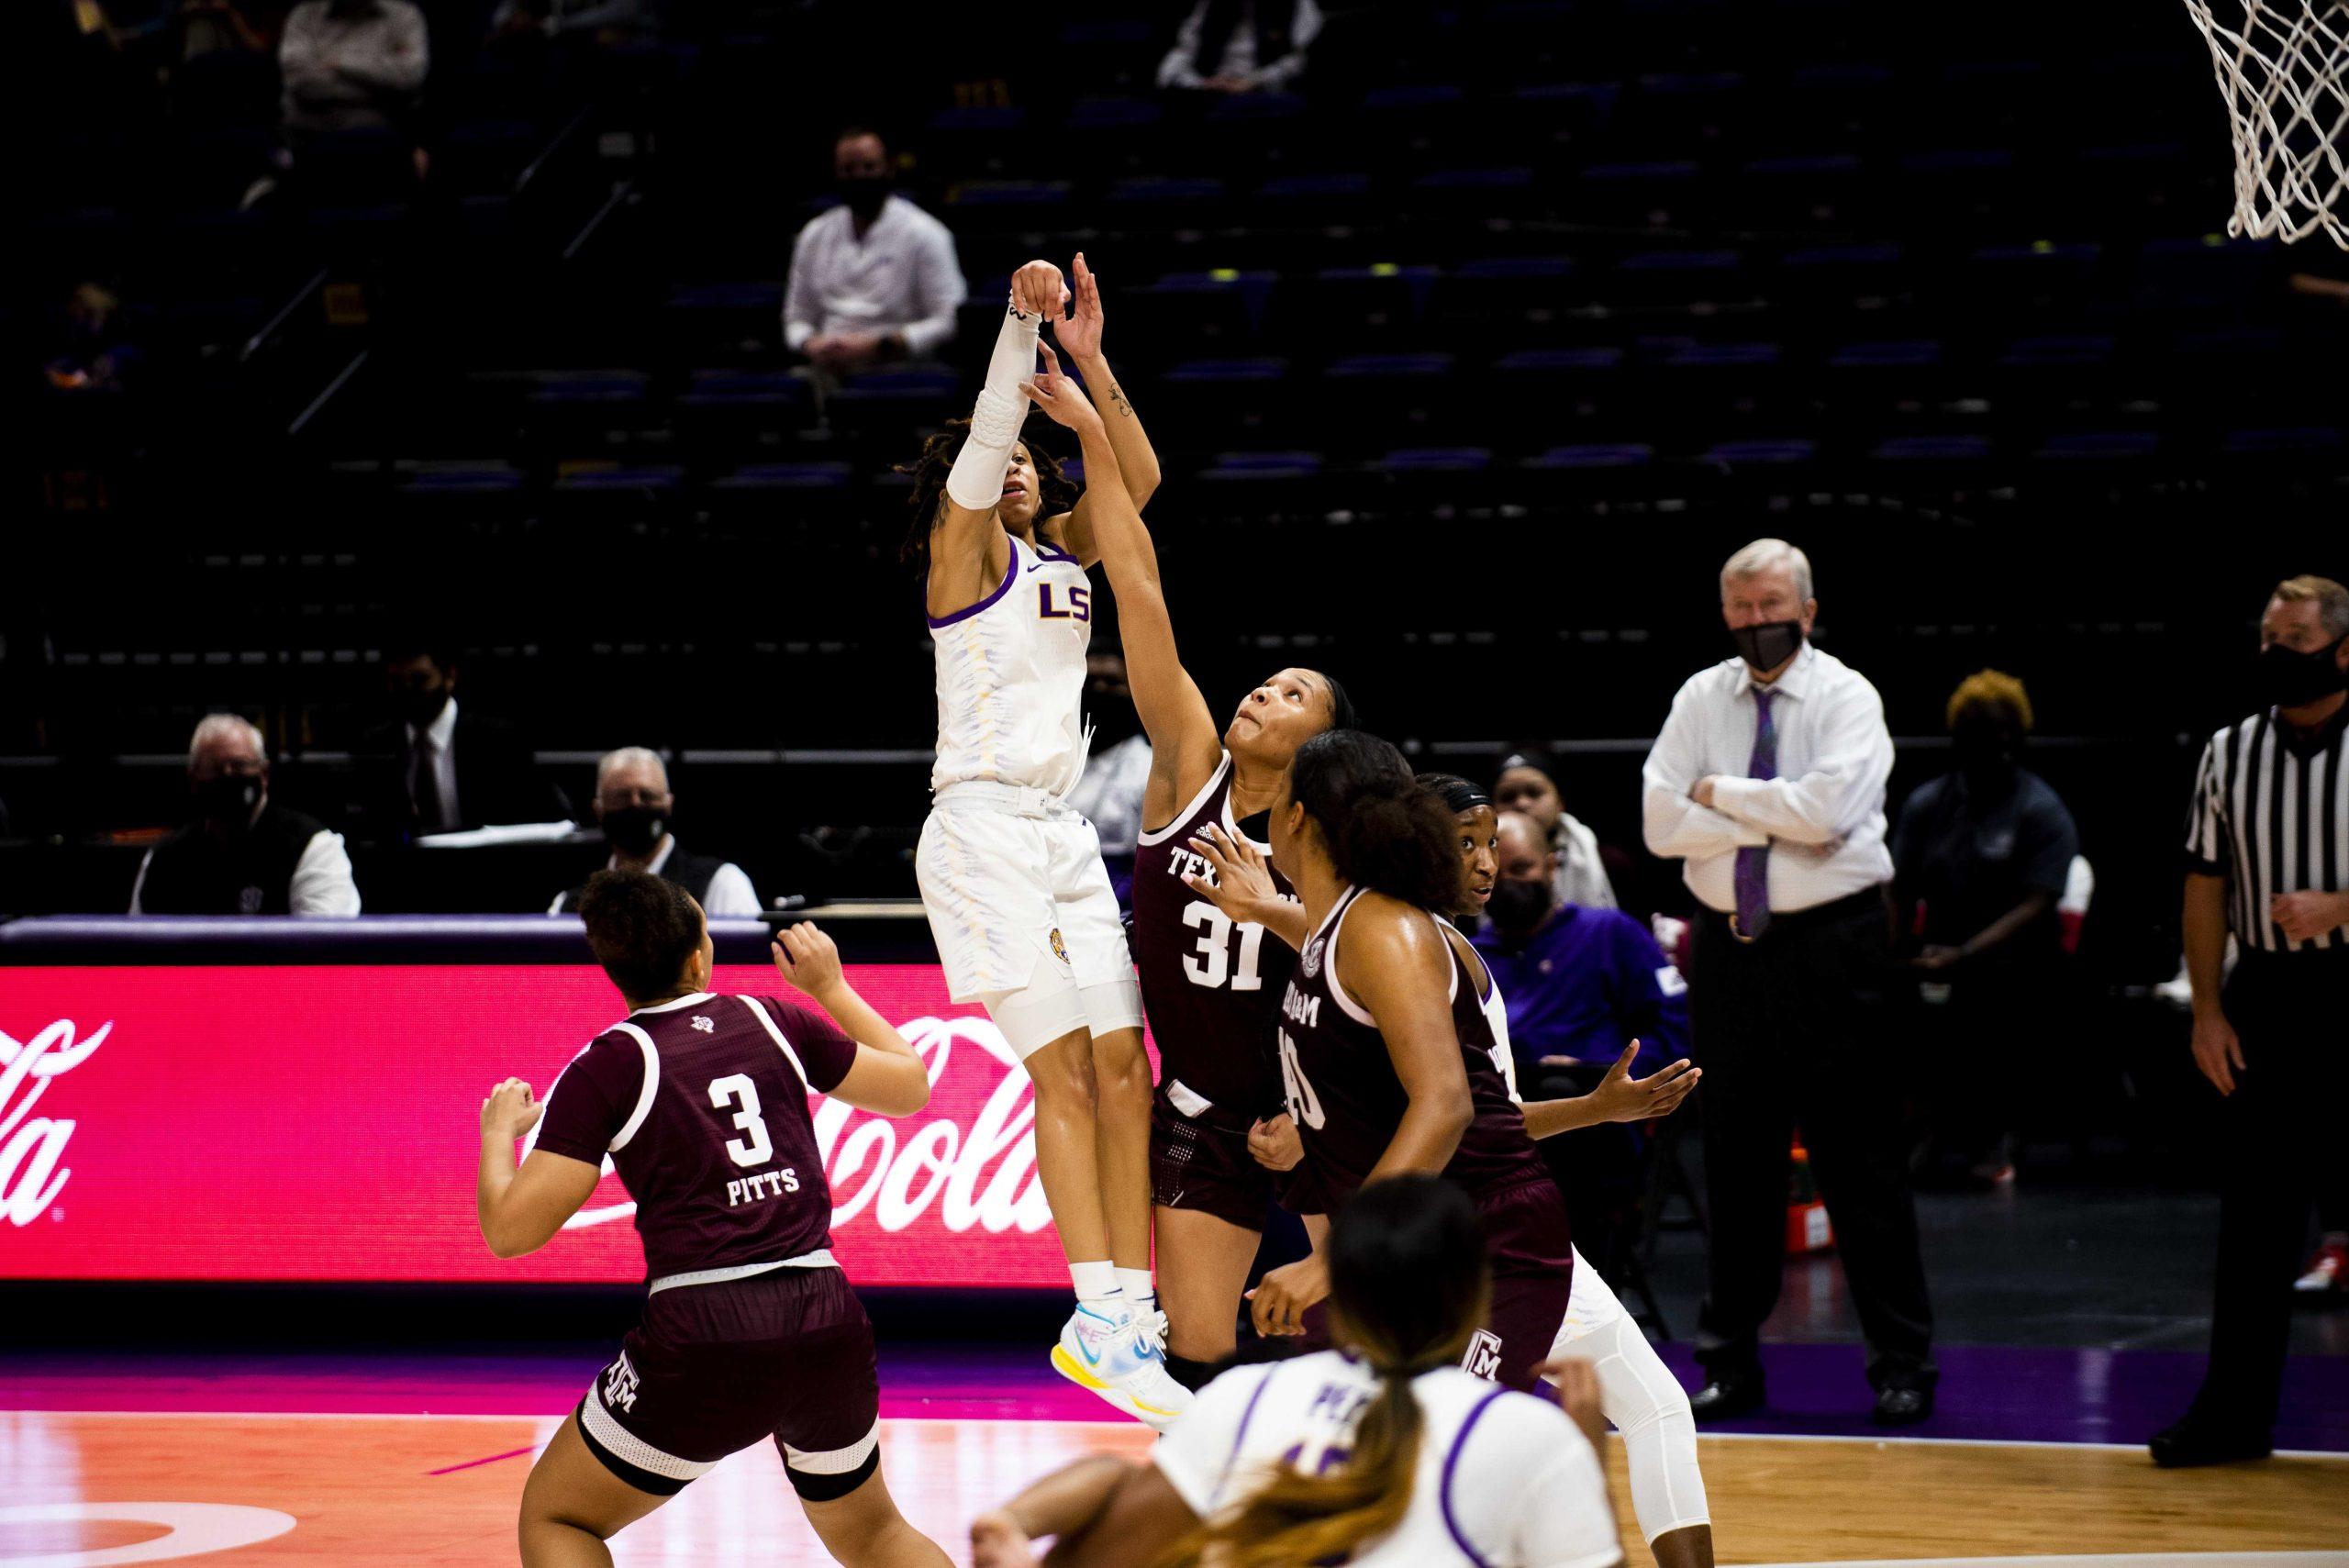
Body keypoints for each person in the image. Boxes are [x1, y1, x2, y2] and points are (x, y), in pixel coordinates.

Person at [1017, 317, 1352, 1389]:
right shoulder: (1189, 769)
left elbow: (1367, 980)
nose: (1263, 689)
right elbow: (1140, 585)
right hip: (1204, 1112)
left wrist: (1309, 1128)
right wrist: (1088, 414)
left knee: (1351, 1350)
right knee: (1200, 1357)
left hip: (1321, 1111)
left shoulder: (1334, 839)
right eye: (1267, 678)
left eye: (1293, 692)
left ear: (1324, 741)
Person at [899, 257, 1187, 1427]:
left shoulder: (1065, 549)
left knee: (1130, 1073)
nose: (1015, 455)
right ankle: (1097, 1309)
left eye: (1026, 449)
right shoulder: (962, 556)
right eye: (999, 449)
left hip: (1064, 832)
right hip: (977, 830)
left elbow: (1145, 479)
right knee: (1064, 1072)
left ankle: (1122, 1317)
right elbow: (983, 437)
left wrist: (1091, 360)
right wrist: (1022, 334)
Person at [474, 871, 952, 1568]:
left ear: (613, 970)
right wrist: (830, 988)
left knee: (559, 1516)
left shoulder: (607, 1066)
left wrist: (497, 1134)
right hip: (824, 1312)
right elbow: (910, 1085)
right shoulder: (770, 1019)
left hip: (704, 1328)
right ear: (699, 955)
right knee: (876, 1534)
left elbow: (510, 1232)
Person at [1641, 537, 1935, 1426]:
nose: (1756, 621)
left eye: (1771, 605)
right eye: (1740, 606)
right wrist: (1780, 815)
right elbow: (1659, 820)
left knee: (1861, 1163)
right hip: (1728, 949)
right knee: (1736, 1163)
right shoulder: (1701, 694)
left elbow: (1830, 811)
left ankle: (1901, 1363)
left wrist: (1718, 795)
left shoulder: (1847, 695)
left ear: (1807, 610)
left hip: (1835, 947)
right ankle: (1729, 1361)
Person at [968, 1176, 1623, 1568]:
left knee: (1122, 1479)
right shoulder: (1523, 1431)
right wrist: (1588, 1463)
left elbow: (1119, 1544)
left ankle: (1014, 1522)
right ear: (1476, 1293)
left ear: (1339, 1293)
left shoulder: (1247, 1394)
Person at [2154, 573, 2349, 1467]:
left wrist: (2341, 904)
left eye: (2296, 636)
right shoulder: (2229, 751)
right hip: (2268, 992)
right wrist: (2205, 1005)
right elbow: (2203, 881)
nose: (2277, 651)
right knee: (2256, 1222)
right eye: (2268, 634)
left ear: (2343, 648)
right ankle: (2233, 1414)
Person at [1475, 804, 1692, 1287]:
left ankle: (1569, 1278)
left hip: (1600, 1116)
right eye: (1497, 872)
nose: (1509, 883)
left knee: (1560, 1088)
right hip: (1502, 1117)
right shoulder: (1469, 954)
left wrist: (1627, 1079)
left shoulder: (1609, 932)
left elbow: (1674, 1021)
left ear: (1552, 865)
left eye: (1523, 868)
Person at [1890, 670, 2081, 1187]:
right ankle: (1924, 1127)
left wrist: (1966, 954)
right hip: (1937, 952)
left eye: (2000, 731)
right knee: (1892, 999)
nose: (1990, 742)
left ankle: (1999, 1135)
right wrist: (1894, 950)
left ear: (2018, 734)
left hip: (2016, 958)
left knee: (1995, 1000)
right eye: (1976, 730)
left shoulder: (2041, 810)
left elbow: (2040, 903)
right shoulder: (1928, 803)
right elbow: (1900, 887)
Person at [130, 714, 362, 916]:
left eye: (238, 765)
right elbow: (137, 949)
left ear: (264, 774)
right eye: (214, 767)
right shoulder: (164, 859)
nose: (228, 775)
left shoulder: (313, 848)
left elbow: (326, 949)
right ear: (193, 779)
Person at [785, 127, 968, 381]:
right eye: (849, 169)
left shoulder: (926, 232)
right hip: (826, 367)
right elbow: (796, 319)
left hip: (900, 369)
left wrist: (885, 344)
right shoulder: (814, 234)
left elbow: (948, 320)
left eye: (869, 167)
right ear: (836, 174)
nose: (859, 176)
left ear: (889, 169)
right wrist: (809, 343)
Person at [355, 639, 572, 838]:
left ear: (450, 676)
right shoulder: (376, 744)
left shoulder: (498, 741)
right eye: (397, 681)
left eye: (420, 680)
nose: (409, 690)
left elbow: (536, 818)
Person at [550, 748, 761, 917]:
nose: (635, 804)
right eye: (621, 797)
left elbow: (751, 966)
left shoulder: (721, 884)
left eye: (647, 795)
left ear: (668, 804)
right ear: (599, 810)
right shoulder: (570, 905)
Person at [1062, 652, 1152, 901]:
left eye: (1112, 683)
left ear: (1133, 693)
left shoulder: (1149, 770)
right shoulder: (1050, 756)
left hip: (1116, 898)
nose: (1099, 689)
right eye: (1089, 682)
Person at [277, 0, 427, 149]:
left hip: (386, 139)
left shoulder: (404, 15)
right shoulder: (304, 15)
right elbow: (301, 83)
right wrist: (383, 90)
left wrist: (338, 62)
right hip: (311, 138)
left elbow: (409, 78)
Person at [1494, 746, 1622, 911]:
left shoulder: (1611, 863)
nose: (1521, 803)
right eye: (1507, 796)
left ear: (1559, 802)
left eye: (1534, 793)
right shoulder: (1469, 874)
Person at [1156, 0, 1322, 94]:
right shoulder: (1208, 7)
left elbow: (1298, 59)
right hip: (1210, 90)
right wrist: (1200, 83)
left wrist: (1254, 82)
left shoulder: (1297, 6)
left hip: (1265, 90)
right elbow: (1182, 53)